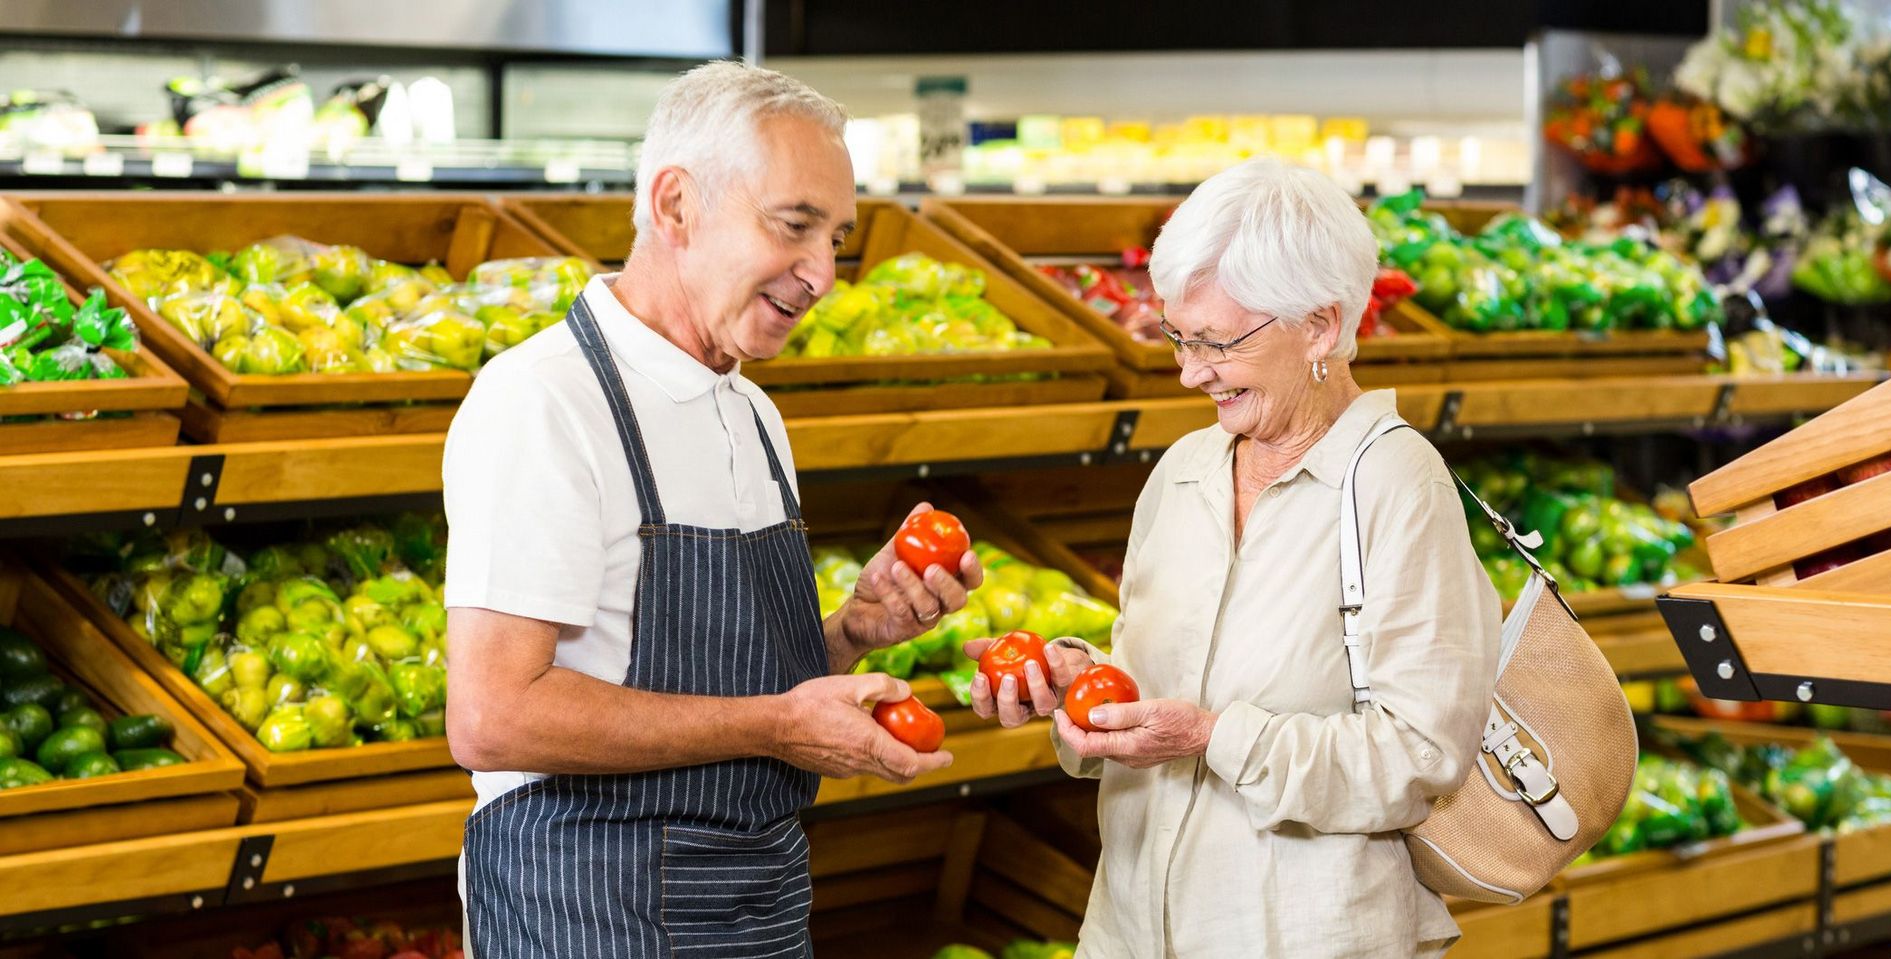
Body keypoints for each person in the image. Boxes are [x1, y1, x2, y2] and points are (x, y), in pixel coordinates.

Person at [443, 61, 976, 958]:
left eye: (837, 239)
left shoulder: (750, 406)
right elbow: (493, 716)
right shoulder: (544, 401)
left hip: (757, 899)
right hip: (586, 911)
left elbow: (728, 676)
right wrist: (775, 725)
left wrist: (845, 633)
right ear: (677, 205)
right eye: (794, 226)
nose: (823, 275)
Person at [969, 158, 1502, 958]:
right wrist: (1078, 688)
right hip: (1127, 930)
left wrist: (1211, 736)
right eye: (1180, 337)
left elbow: (1420, 756)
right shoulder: (1183, 470)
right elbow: (1152, 679)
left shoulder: (1396, 482)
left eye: (1218, 341)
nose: (1189, 371)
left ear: (1321, 325)